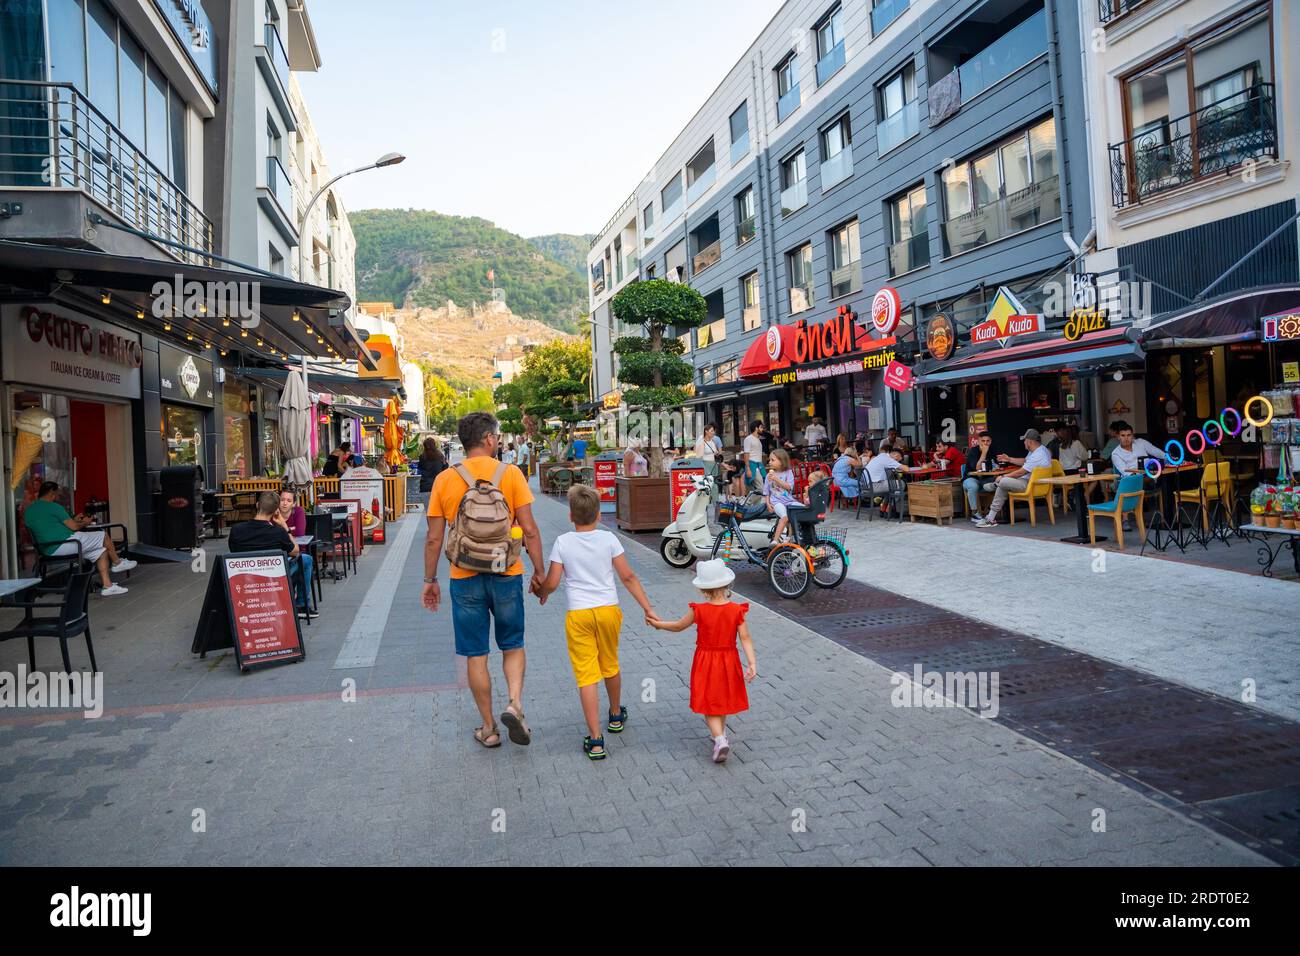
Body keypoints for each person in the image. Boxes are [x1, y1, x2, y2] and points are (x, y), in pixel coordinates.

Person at [423, 412, 544, 750]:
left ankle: (489, 728)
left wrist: (429, 579)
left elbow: (434, 538)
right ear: (489, 439)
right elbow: (530, 529)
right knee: (512, 644)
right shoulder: (511, 474)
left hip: (464, 577)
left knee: (476, 654)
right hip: (506, 573)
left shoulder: (446, 480)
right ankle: (515, 704)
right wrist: (540, 571)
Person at [534, 485, 656, 760]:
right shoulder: (608, 539)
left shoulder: (563, 542)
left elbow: (552, 582)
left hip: (579, 614)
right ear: (599, 515)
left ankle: (596, 739)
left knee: (587, 675)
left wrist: (542, 592)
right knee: (610, 663)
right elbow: (628, 577)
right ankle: (615, 715)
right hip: (608, 610)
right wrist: (648, 608)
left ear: (570, 516)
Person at [647, 559, 756, 764]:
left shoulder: (699, 610)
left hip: (706, 660)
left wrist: (658, 624)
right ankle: (720, 734)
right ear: (727, 585)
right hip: (729, 660)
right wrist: (752, 663)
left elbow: (678, 626)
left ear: (703, 589)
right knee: (721, 699)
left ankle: (719, 738)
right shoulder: (736, 610)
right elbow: (745, 638)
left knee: (708, 703)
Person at [23, 482, 136, 596]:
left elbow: (50, 526)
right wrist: (85, 522)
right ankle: (117, 562)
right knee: (103, 535)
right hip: (65, 543)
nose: (57, 496)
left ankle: (108, 586)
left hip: (47, 549)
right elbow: (74, 527)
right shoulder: (54, 507)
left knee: (101, 551)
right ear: (52, 492)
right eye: (57, 493)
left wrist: (73, 519)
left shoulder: (29, 510)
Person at [230, 492, 312, 611]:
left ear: (257, 505)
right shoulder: (278, 532)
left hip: (244, 577)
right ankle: (301, 604)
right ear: (276, 511)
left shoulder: (236, 530)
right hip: (273, 577)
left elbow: (233, 552)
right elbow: (296, 551)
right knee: (306, 559)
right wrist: (285, 528)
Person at [975, 428, 1053, 528]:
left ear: (1029, 441)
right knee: (1004, 484)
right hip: (1034, 483)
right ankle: (990, 517)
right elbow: (1025, 461)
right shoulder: (1040, 450)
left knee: (1003, 481)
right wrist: (1009, 459)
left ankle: (990, 517)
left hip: (1032, 485)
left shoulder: (1038, 455)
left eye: (1025, 441)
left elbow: (1020, 472)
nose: (1024, 443)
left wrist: (1003, 476)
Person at [762, 449, 799, 544]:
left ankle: (790, 537)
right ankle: (775, 540)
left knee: (799, 511)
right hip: (776, 502)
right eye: (769, 460)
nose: (770, 462)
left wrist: (776, 479)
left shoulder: (788, 473)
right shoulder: (768, 476)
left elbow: (789, 487)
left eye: (772, 460)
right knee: (785, 517)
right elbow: (766, 492)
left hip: (789, 500)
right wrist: (768, 503)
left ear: (781, 461)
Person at [962, 432, 998, 523]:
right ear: (978, 441)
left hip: (986, 479)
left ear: (991, 441)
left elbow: (996, 465)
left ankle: (991, 511)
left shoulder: (993, 450)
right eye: (983, 441)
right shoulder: (973, 451)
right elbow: (977, 468)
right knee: (973, 486)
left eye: (988, 441)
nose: (985, 443)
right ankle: (975, 514)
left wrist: (996, 467)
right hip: (971, 478)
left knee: (1000, 481)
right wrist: (984, 453)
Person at [742, 421, 765, 492]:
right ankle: (749, 502)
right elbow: (746, 454)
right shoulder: (748, 439)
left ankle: (751, 502)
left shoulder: (758, 439)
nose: (762, 429)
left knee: (756, 488)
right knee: (760, 488)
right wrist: (748, 469)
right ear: (756, 428)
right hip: (752, 465)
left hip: (759, 465)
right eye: (761, 427)